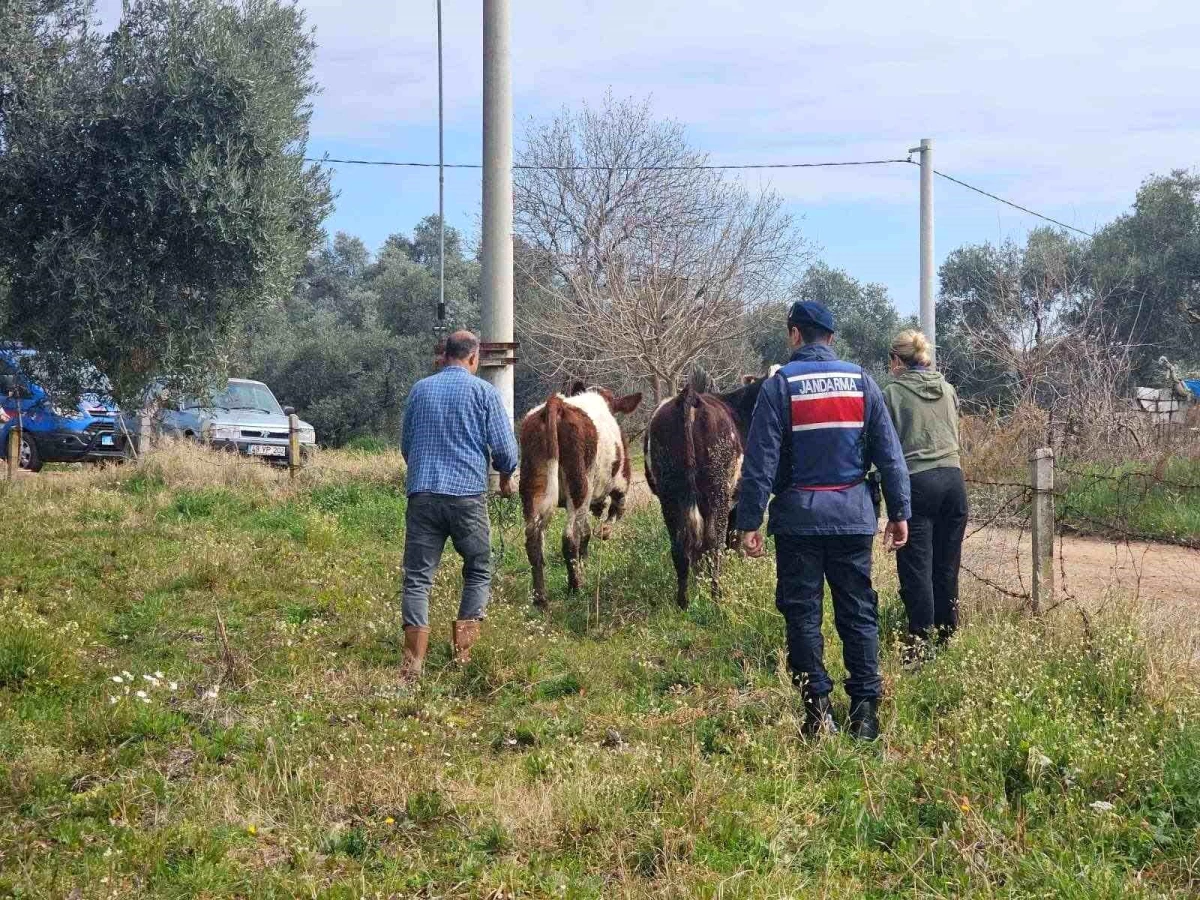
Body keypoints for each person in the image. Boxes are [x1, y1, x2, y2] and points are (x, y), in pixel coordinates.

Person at [734, 301, 911, 740]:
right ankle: (865, 714)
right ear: (830, 338)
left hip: (798, 523)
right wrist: (900, 511)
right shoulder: (862, 381)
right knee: (858, 613)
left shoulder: (780, 387)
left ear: (795, 335)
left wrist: (749, 520)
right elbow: (889, 453)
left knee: (802, 616)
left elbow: (760, 461)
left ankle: (817, 713)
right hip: (853, 518)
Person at [399, 330, 519, 681]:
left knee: (418, 578)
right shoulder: (484, 392)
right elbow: (506, 453)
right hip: (466, 497)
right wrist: (506, 474)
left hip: (422, 495)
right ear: (473, 358)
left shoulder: (420, 390)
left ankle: (414, 663)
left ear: (444, 356)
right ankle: (463, 657)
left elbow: (407, 447)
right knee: (479, 567)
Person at [882, 329, 968, 656]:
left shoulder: (892, 393)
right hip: (954, 481)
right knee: (946, 566)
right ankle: (947, 639)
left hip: (919, 483)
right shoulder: (947, 389)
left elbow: (887, 450)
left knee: (917, 568)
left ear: (896, 360)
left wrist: (890, 503)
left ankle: (920, 646)